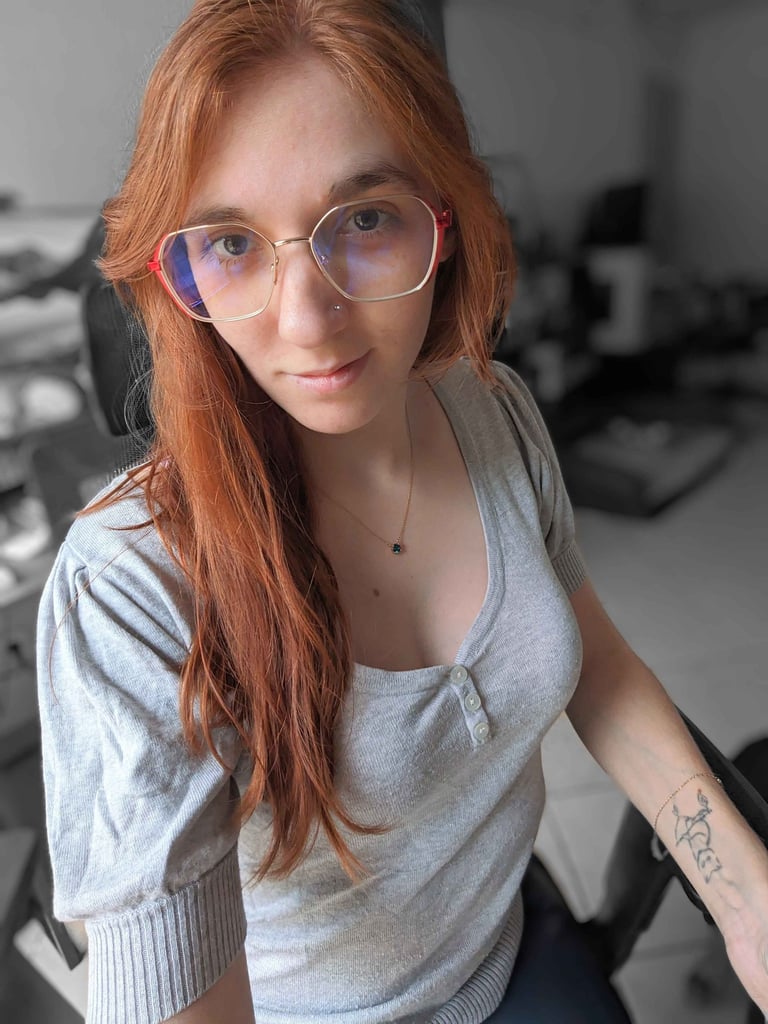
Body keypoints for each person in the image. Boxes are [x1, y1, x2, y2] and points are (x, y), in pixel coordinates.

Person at [36, 1, 768, 1022]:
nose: (307, 320)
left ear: (443, 218)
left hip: (503, 941)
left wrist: (746, 899)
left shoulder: (495, 412)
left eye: (366, 220)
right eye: (234, 242)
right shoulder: (131, 591)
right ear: (179, 270)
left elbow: (596, 670)